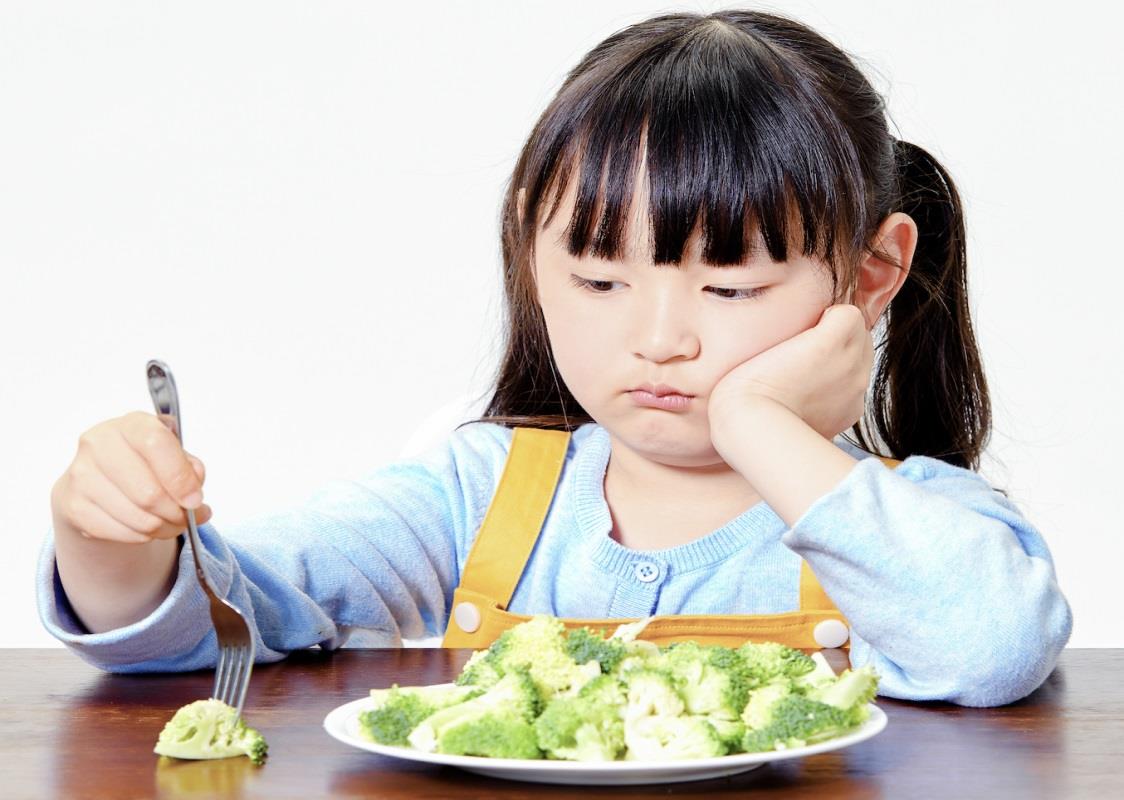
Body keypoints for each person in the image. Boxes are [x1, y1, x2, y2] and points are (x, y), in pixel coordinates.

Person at [38, 9, 1070, 708]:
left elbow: (989, 646)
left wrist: (756, 423)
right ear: (531, 251)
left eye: (728, 287)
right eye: (596, 278)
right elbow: (214, 619)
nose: (657, 335)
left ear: (870, 273)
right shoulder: (477, 494)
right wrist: (112, 537)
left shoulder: (906, 523)